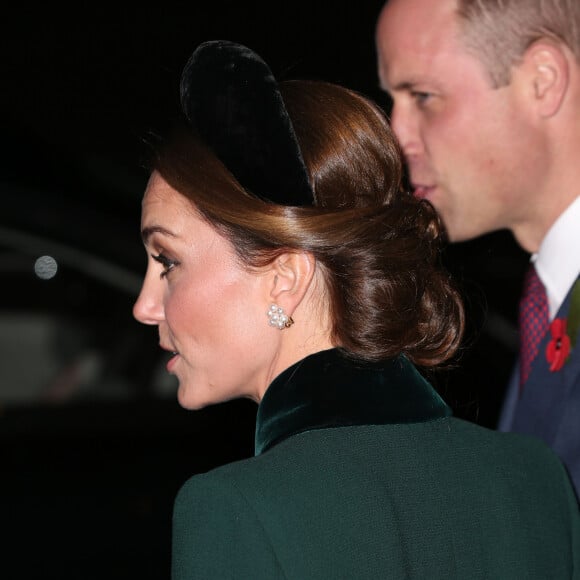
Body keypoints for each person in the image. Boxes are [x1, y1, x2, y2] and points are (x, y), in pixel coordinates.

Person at [133, 40, 580, 579]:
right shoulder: (536, 478)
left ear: (285, 278)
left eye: (167, 261)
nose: (145, 306)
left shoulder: (236, 507)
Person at [376, 0, 580, 495]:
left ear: (543, 80)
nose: (395, 138)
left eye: (423, 95)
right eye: (393, 101)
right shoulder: (545, 305)